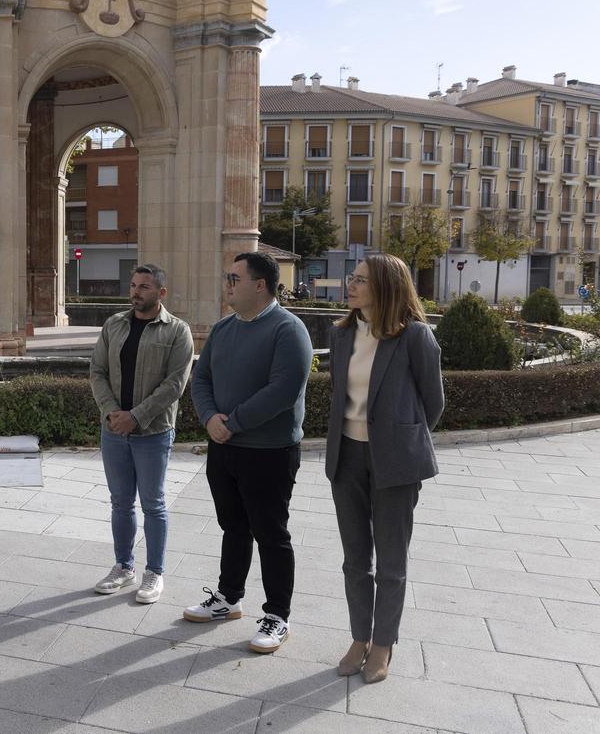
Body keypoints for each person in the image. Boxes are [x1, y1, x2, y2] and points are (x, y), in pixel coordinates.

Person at [186, 251, 313, 654]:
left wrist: (232, 422)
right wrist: (209, 419)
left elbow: (282, 391)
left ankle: (278, 616)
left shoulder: (288, 330)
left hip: (268, 451)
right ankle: (228, 598)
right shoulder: (223, 329)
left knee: (271, 534)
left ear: (260, 285)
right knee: (233, 527)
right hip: (223, 448)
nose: (228, 285)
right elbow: (200, 377)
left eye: (234, 278)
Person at [325, 253, 443, 683]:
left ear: (387, 287)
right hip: (347, 457)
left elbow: (434, 403)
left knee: (391, 561)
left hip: (395, 462)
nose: (350, 286)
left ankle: (383, 644)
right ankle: (360, 637)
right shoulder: (340, 335)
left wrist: (399, 442)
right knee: (355, 559)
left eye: (360, 280)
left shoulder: (415, 337)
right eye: (351, 278)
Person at [89, 264, 194, 603]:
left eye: (144, 287)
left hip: (153, 432)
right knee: (120, 503)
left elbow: (175, 385)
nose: (136, 292)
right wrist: (112, 413)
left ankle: (154, 573)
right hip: (114, 431)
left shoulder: (178, 331)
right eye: (133, 285)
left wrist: (135, 417)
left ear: (161, 293)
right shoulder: (114, 325)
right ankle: (123, 566)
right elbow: (97, 372)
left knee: (153, 504)